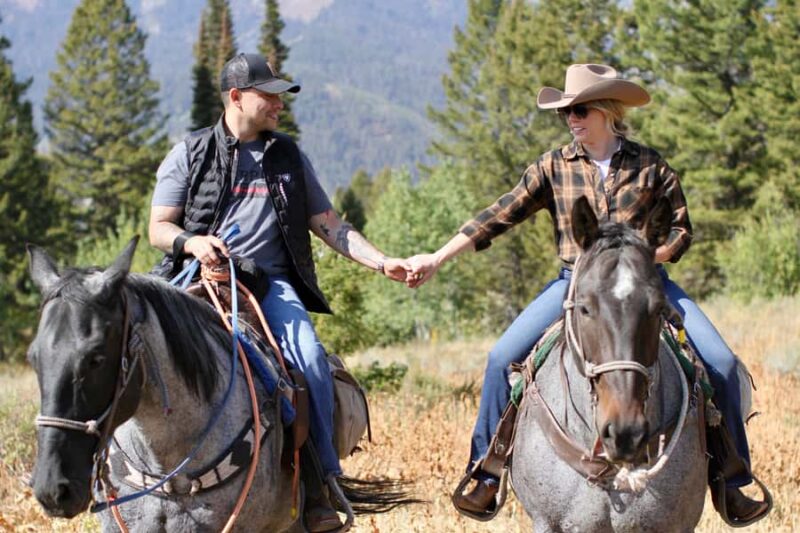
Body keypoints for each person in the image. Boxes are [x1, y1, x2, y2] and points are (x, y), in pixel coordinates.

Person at [406, 64, 769, 524]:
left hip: (644, 282)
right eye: (566, 114)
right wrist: (435, 258)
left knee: (721, 364)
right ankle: (488, 471)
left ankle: (732, 479)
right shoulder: (553, 166)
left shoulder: (650, 166)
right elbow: (497, 216)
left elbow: (682, 228)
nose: (571, 120)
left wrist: (647, 257)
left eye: (579, 110)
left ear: (607, 112)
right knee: (500, 359)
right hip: (573, 284)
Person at [148, 52, 408, 532]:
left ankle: (321, 481)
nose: (279, 105)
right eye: (269, 95)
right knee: (132, 347)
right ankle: (108, 474)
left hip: (268, 285)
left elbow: (329, 225)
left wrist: (381, 261)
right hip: (196, 278)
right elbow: (159, 228)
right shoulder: (190, 152)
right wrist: (192, 241)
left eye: (279, 96)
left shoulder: (288, 157)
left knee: (308, 360)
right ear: (235, 97)